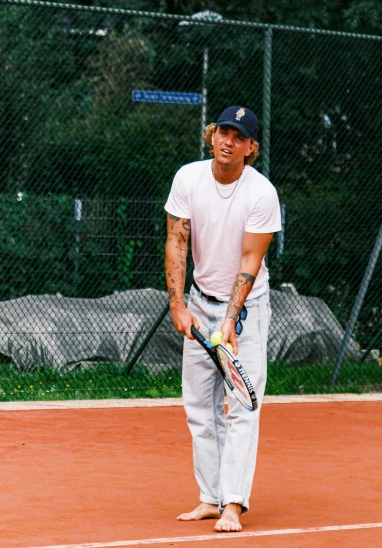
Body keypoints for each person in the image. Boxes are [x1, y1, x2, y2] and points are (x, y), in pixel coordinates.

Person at [164, 105, 281, 532]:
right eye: (222, 132)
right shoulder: (187, 178)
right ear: (212, 136)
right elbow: (177, 241)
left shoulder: (261, 193)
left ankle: (234, 502)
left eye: (239, 136)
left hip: (247, 309)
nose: (228, 140)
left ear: (251, 148)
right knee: (199, 407)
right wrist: (178, 304)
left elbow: (251, 260)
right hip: (198, 302)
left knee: (243, 406)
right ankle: (210, 499)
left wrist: (230, 319)